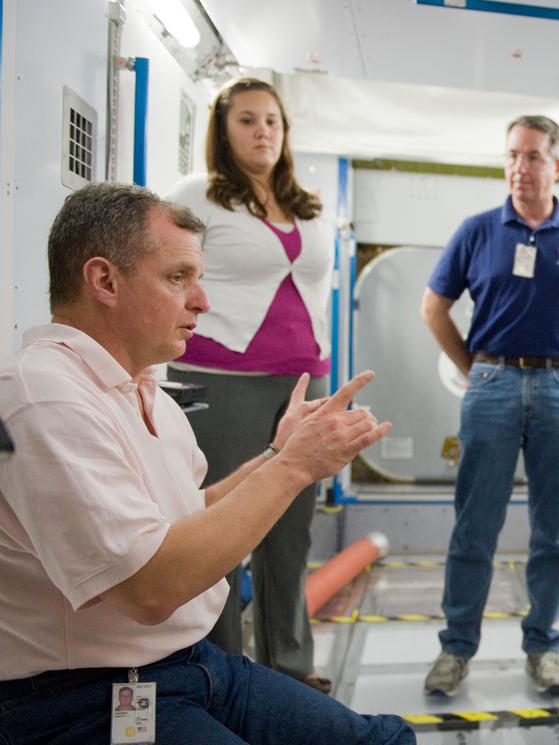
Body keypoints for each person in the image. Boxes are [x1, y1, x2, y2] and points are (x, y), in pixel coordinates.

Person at [0, 182, 559, 745]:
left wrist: (281, 453)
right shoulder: (43, 398)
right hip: (75, 710)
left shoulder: (136, 390)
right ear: (103, 279)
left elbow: (187, 517)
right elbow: (153, 584)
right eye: (179, 277)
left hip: (184, 671)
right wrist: (290, 468)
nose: (202, 301)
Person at [420, 115, 559, 698]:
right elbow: (433, 309)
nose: (521, 167)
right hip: (491, 383)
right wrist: (475, 371)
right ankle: (456, 648)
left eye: (534, 156)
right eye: (513, 155)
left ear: (556, 165)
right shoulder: (478, 231)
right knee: (474, 527)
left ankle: (543, 646)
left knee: (555, 532)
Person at [165, 77, 335, 693]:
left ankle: (289, 668)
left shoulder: (308, 205)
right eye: (247, 120)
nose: (262, 131)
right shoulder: (197, 197)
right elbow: (164, 267)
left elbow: (314, 290)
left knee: (291, 531)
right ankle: (224, 675)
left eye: (272, 121)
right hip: (219, 376)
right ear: (223, 128)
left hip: (302, 380)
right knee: (225, 528)